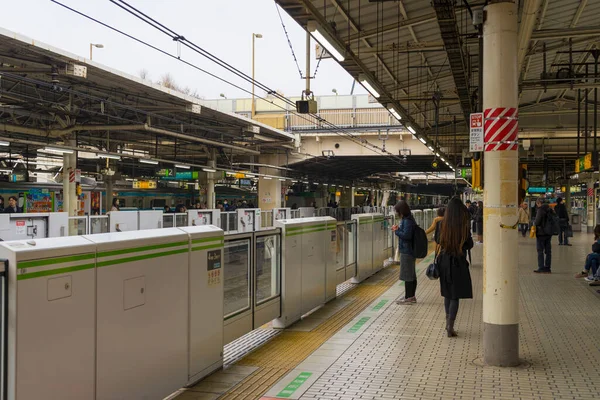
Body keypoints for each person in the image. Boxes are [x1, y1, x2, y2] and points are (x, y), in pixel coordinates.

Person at [437, 197, 474, 337]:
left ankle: (448, 323)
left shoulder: (442, 224)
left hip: (444, 262)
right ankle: (450, 326)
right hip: (458, 262)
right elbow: (469, 245)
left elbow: (437, 240)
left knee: (447, 293)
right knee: (455, 296)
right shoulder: (463, 226)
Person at [392, 200, 418, 304]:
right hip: (408, 250)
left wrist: (396, 231)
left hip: (407, 251)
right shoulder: (408, 219)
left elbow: (407, 236)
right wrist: (399, 229)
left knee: (408, 275)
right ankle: (410, 296)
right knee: (410, 274)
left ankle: (409, 297)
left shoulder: (407, 221)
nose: (396, 213)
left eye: (397, 211)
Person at [534, 197, 552, 273]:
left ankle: (541, 267)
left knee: (540, 251)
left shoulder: (540, 210)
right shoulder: (550, 209)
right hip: (549, 233)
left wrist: (534, 223)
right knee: (548, 251)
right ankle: (547, 267)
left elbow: (537, 222)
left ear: (539, 203)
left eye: (537, 204)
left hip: (541, 233)